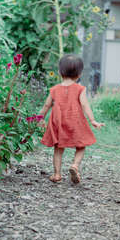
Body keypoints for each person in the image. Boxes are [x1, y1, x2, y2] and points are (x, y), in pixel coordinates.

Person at [39, 54, 104, 184]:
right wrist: (93, 121)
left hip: (58, 122)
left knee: (58, 148)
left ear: (59, 72)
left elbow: (47, 105)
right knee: (81, 146)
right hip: (75, 121)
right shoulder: (80, 89)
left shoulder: (54, 90)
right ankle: (75, 165)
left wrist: (39, 118)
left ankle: (57, 174)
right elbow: (85, 105)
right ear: (79, 74)